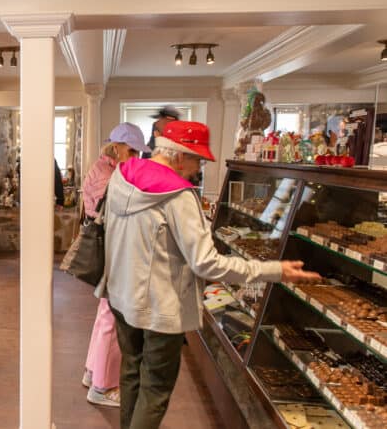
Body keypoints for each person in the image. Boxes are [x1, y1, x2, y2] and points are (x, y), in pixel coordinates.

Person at [98, 120, 321, 429]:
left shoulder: (122, 176)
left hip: (122, 297)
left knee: (132, 373)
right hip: (161, 308)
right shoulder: (178, 195)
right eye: (197, 159)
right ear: (178, 156)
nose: (198, 168)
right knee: (156, 388)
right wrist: (272, 270)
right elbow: (207, 263)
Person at [81, 122, 150, 407]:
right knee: (113, 317)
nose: (136, 157)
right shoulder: (110, 176)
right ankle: (103, 386)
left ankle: (92, 372)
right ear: (117, 147)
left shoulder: (106, 169)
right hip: (115, 251)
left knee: (105, 315)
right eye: (131, 150)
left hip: (111, 249)